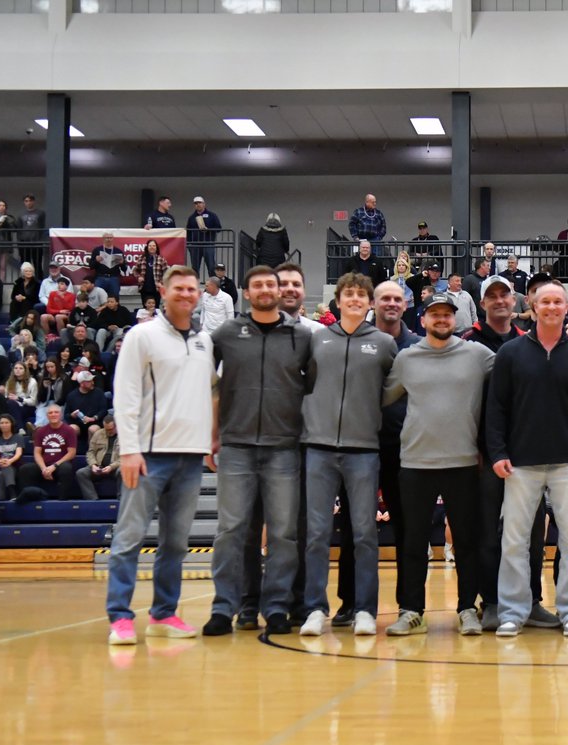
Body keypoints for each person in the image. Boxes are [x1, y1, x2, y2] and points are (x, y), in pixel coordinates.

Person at [485, 281, 568, 637]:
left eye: (558, 302)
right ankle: (513, 611)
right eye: (545, 302)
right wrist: (497, 452)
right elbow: (496, 408)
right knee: (514, 541)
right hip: (520, 463)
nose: (552, 307)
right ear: (533, 307)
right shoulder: (510, 353)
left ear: (566, 308)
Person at [104, 265, 215, 645]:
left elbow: (211, 391)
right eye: (178, 288)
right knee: (129, 538)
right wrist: (129, 450)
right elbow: (125, 394)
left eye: (191, 289)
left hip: (191, 457)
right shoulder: (142, 336)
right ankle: (120, 617)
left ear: (199, 295)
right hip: (148, 456)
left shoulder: (204, 341)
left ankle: (163, 614)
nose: (186, 294)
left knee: (176, 543)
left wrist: (211, 440)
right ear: (164, 293)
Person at [202, 266, 311, 638]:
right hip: (236, 446)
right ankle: (224, 607)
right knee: (231, 531)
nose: (266, 289)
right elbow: (206, 380)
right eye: (258, 285)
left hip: (284, 448)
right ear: (246, 293)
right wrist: (211, 432)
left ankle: (277, 606)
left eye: (271, 284)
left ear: (279, 292)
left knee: (283, 534)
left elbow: (313, 387)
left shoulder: (301, 336)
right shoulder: (226, 333)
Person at [382, 293, 495, 636]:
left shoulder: (477, 355)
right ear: (423, 320)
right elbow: (383, 397)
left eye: (447, 314)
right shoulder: (407, 358)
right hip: (415, 462)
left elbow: (513, 375)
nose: (442, 319)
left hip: (463, 462)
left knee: (466, 542)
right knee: (413, 541)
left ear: (455, 319)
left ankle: (467, 608)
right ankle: (411, 610)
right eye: (435, 314)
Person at [298, 273, 397, 637]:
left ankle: (366, 610)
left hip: (363, 450)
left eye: (361, 294)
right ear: (337, 301)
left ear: (370, 303)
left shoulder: (384, 344)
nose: (355, 299)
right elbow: (303, 383)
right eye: (348, 294)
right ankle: (314, 608)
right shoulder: (317, 339)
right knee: (317, 534)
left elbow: (393, 389)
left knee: (365, 534)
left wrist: (368, 414)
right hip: (319, 448)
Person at [324, 279, 421, 629]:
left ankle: (409, 604)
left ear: (406, 304)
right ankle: (350, 603)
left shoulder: (417, 347)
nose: (391, 304)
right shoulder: (354, 340)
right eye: (385, 299)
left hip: (404, 450)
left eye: (397, 298)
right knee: (354, 526)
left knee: (408, 528)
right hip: (359, 445)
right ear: (373, 304)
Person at [462, 275, 557, 630]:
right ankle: (491, 602)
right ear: (482, 303)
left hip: (528, 456)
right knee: (488, 533)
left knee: (531, 534)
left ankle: (531, 601)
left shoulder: (529, 341)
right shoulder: (467, 342)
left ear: (515, 301)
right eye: (493, 295)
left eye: (506, 294)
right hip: (485, 457)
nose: (500, 300)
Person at [17, 404, 77, 500]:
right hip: (45, 466)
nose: (53, 415)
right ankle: (30, 498)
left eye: (56, 412)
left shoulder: (69, 430)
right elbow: (37, 452)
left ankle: (62, 501)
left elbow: (71, 453)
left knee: (66, 468)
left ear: (61, 415)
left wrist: (54, 466)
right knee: (25, 469)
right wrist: (44, 468)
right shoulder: (40, 431)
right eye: (50, 413)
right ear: (47, 416)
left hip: (60, 465)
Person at [76, 415, 119, 499]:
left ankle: (121, 498)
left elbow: (125, 458)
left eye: (110, 429)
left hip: (115, 468)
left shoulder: (124, 436)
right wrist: (93, 465)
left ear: (117, 426)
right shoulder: (98, 434)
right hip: (99, 467)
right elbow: (90, 452)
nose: (108, 432)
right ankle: (92, 500)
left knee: (122, 471)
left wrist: (112, 467)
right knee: (81, 473)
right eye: (106, 429)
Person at [63, 370, 107, 440]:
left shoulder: (99, 392)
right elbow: (66, 414)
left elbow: (104, 410)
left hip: (95, 422)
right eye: (89, 381)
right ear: (82, 384)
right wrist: (72, 415)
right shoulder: (72, 396)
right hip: (78, 424)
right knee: (72, 428)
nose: (93, 383)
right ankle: (73, 447)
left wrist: (94, 418)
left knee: (93, 429)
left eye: (92, 380)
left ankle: (92, 447)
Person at [185, 196, 222, 276]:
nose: (198, 205)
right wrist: (189, 244)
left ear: (204, 204)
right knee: (195, 268)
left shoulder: (212, 215)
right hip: (195, 245)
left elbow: (218, 228)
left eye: (199, 203)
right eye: (196, 203)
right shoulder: (191, 217)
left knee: (211, 266)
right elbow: (188, 231)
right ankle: (195, 283)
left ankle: (213, 282)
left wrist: (208, 229)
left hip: (208, 244)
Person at [0, 414, 24, 501]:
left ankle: (2, 499)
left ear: (11, 424)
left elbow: (19, 453)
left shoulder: (18, 437)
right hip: (1, 465)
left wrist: (10, 461)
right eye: (1, 423)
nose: (4, 425)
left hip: (15, 465)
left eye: (6, 422)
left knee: (0, 474)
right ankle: (12, 494)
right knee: (3, 468)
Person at [88, 232, 125, 300]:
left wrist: (122, 263)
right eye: (107, 238)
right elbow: (91, 266)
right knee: (97, 298)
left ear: (113, 239)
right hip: (100, 277)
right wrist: (96, 261)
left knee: (114, 298)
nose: (109, 239)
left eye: (110, 238)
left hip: (114, 278)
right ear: (103, 239)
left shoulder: (118, 251)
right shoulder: (97, 250)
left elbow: (124, 269)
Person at [134, 239, 168, 308]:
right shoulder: (141, 258)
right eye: (150, 246)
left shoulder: (161, 259)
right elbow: (135, 270)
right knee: (145, 308)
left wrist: (161, 282)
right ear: (147, 247)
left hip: (156, 288)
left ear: (156, 248)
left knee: (156, 308)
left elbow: (166, 273)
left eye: (153, 246)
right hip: (144, 288)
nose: (152, 247)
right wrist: (138, 277)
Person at [17, 194, 47, 269]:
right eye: (26, 201)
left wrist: (41, 240)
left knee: (37, 265)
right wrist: (19, 242)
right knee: (25, 265)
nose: (28, 203)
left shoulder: (40, 213)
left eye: (30, 201)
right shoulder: (21, 214)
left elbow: (42, 226)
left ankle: (38, 277)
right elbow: (19, 228)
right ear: (24, 202)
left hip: (36, 243)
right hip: (24, 243)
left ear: (33, 201)